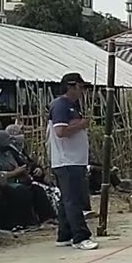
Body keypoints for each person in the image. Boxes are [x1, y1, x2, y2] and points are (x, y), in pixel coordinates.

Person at [48, 73, 97, 250]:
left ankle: (65, 234)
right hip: (67, 160)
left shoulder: (72, 106)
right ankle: (80, 236)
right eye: (80, 87)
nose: (82, 91)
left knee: (66, 200)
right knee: (73, 200)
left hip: (74, 160)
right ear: (71, 86)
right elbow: (60, 131)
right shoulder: (60, 105)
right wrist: (81, 125)